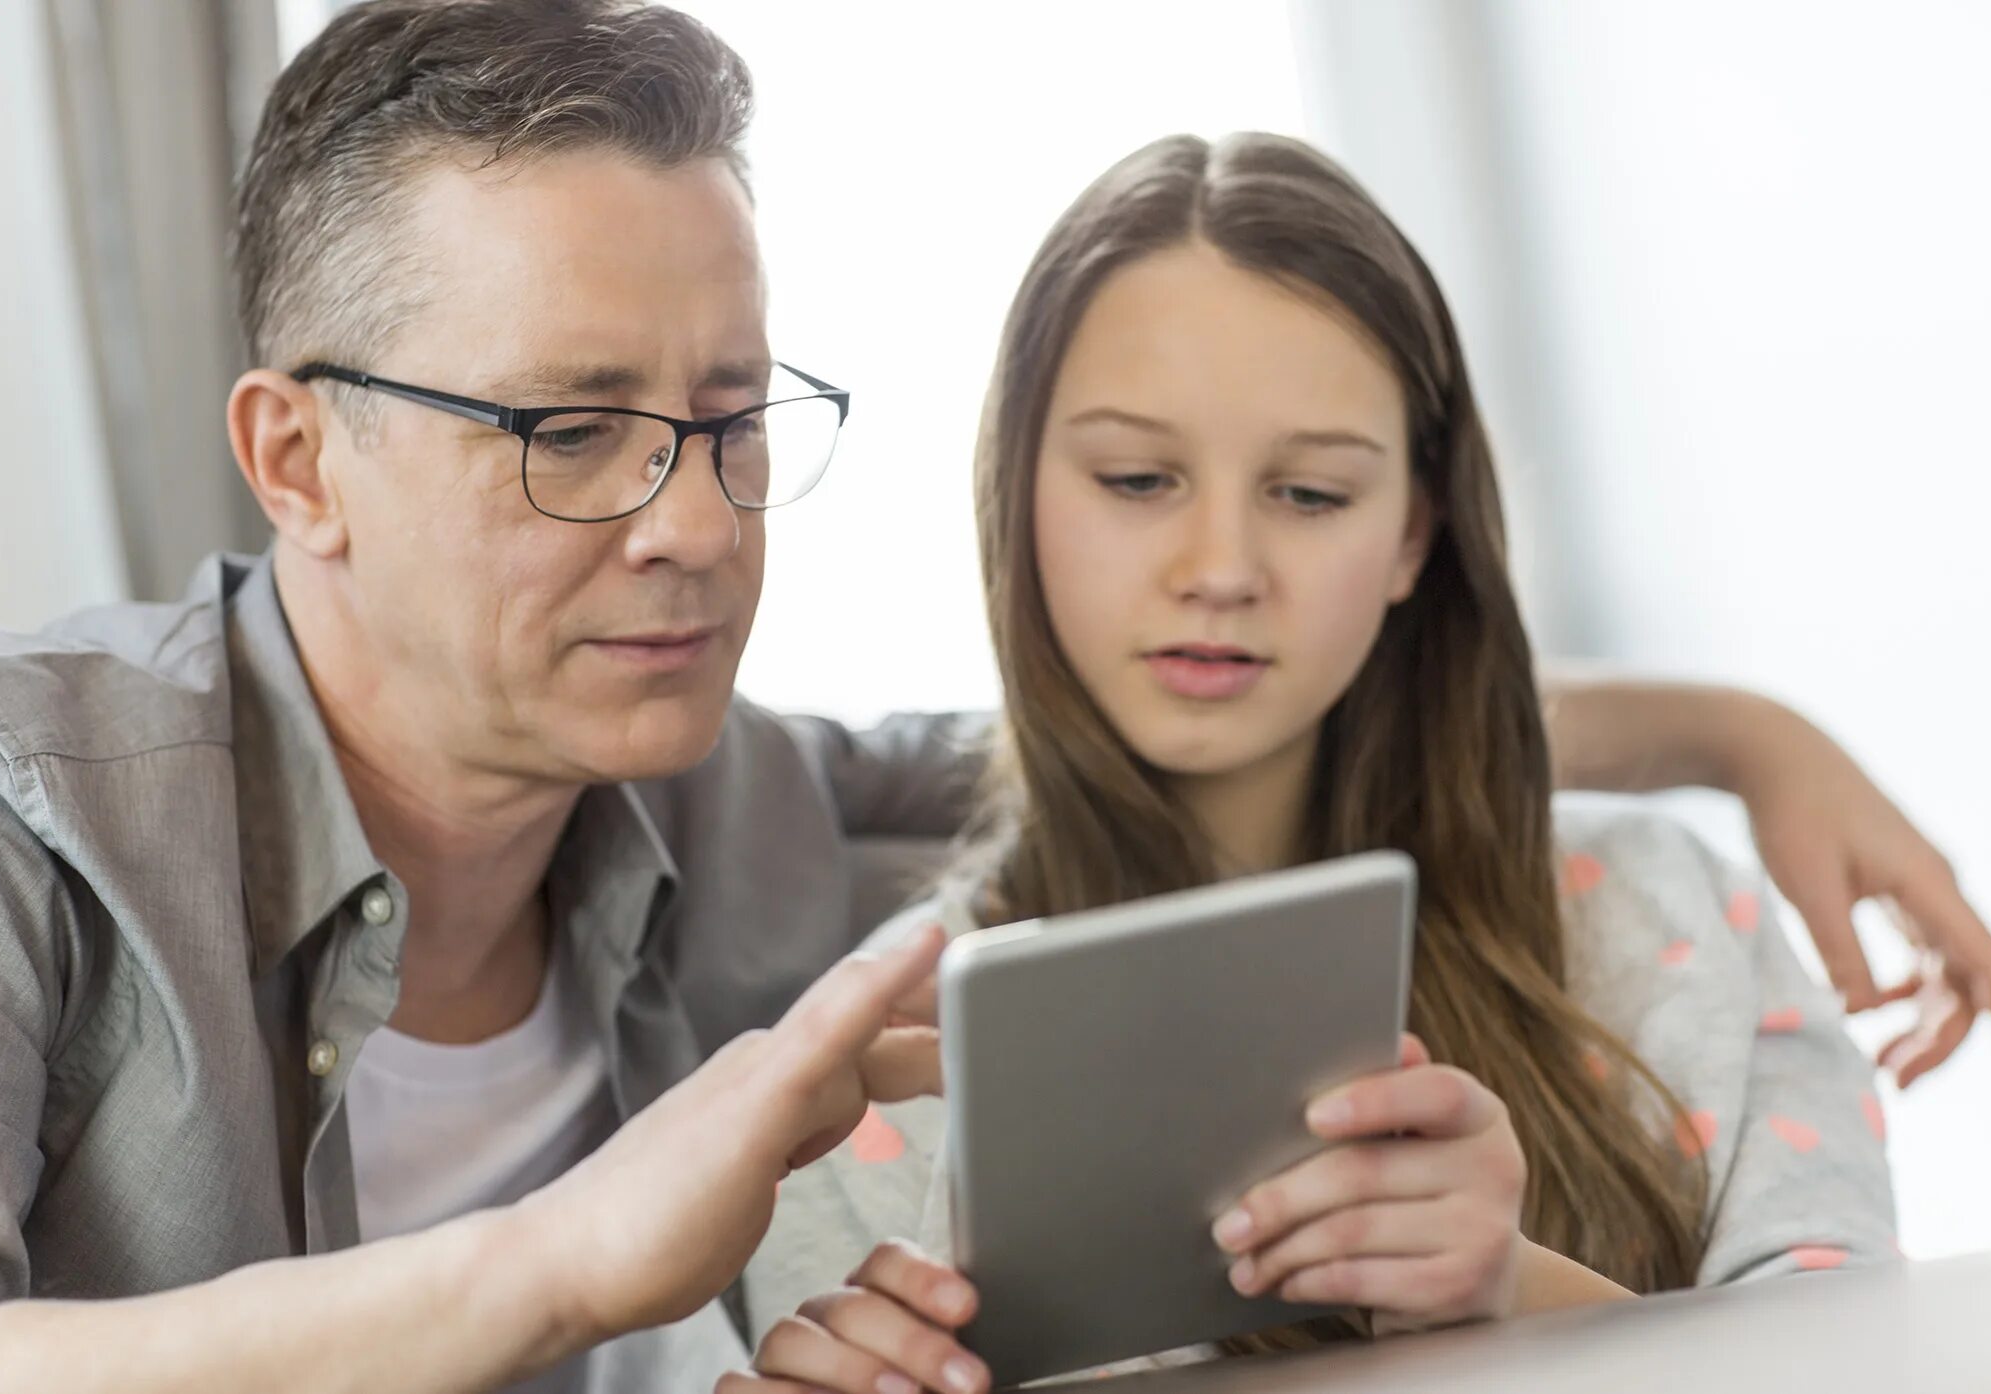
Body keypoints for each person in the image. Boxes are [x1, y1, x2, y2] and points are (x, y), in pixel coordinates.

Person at [0, 4, 1991, 1393]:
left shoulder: (750, 807)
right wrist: (559, 1261)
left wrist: (1743, 730)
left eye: (733, 420)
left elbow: (1205, 700)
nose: (689, 524)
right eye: (569, 428)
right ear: (294, 462)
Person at [730, 132, 1899, 1392]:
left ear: (1414, 536)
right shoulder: (872, 1068)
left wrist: (1514, 1287)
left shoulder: (1679, 917)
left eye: (1310, 494)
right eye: (1137, 477)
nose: (1221, 564)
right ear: (1015, 495)